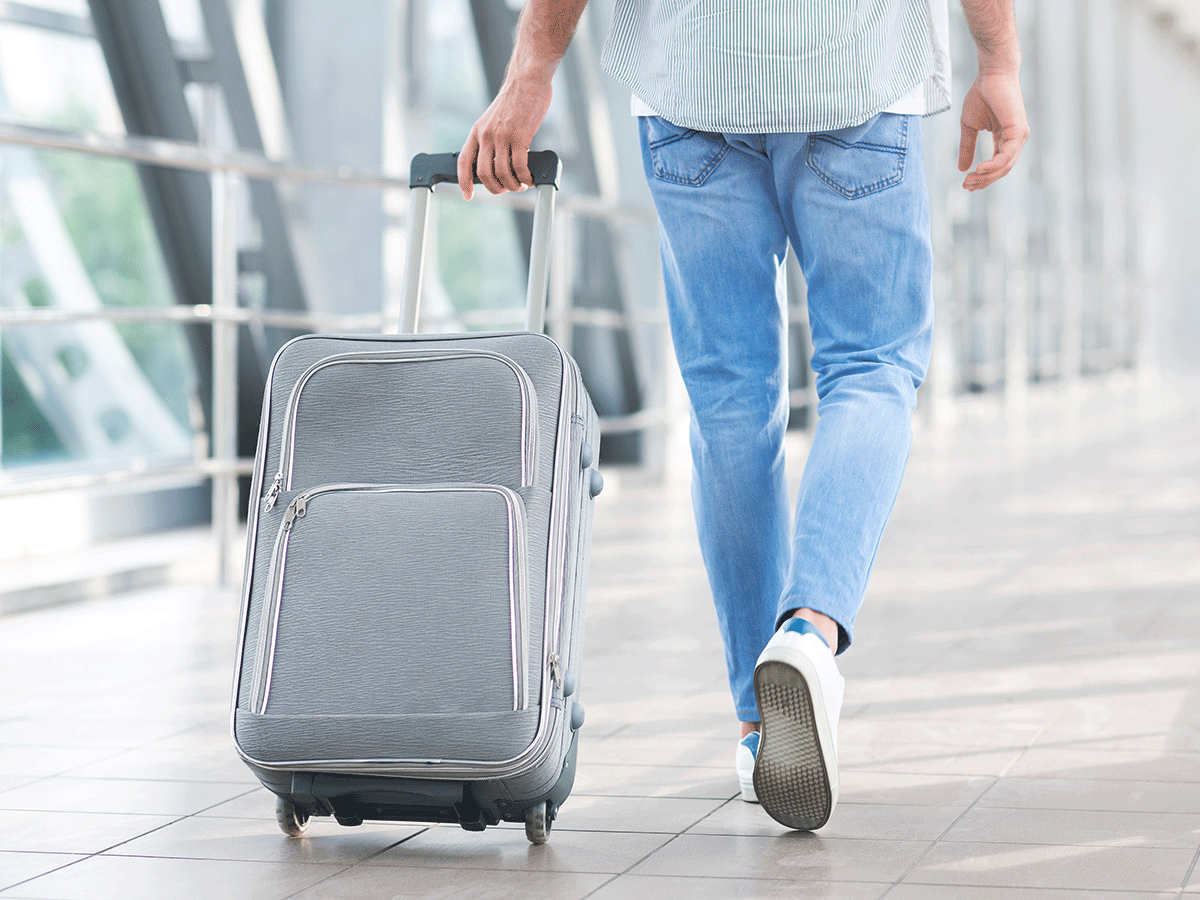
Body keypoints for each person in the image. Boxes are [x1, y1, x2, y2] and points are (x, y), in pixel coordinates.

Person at [458, 0, 1028, 831]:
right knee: (871, 370)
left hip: (694, 92)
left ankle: (760, 726)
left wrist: (531, 72)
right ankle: (808, 632)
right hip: (856, 80)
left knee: (730, 403)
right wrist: (999, 64)